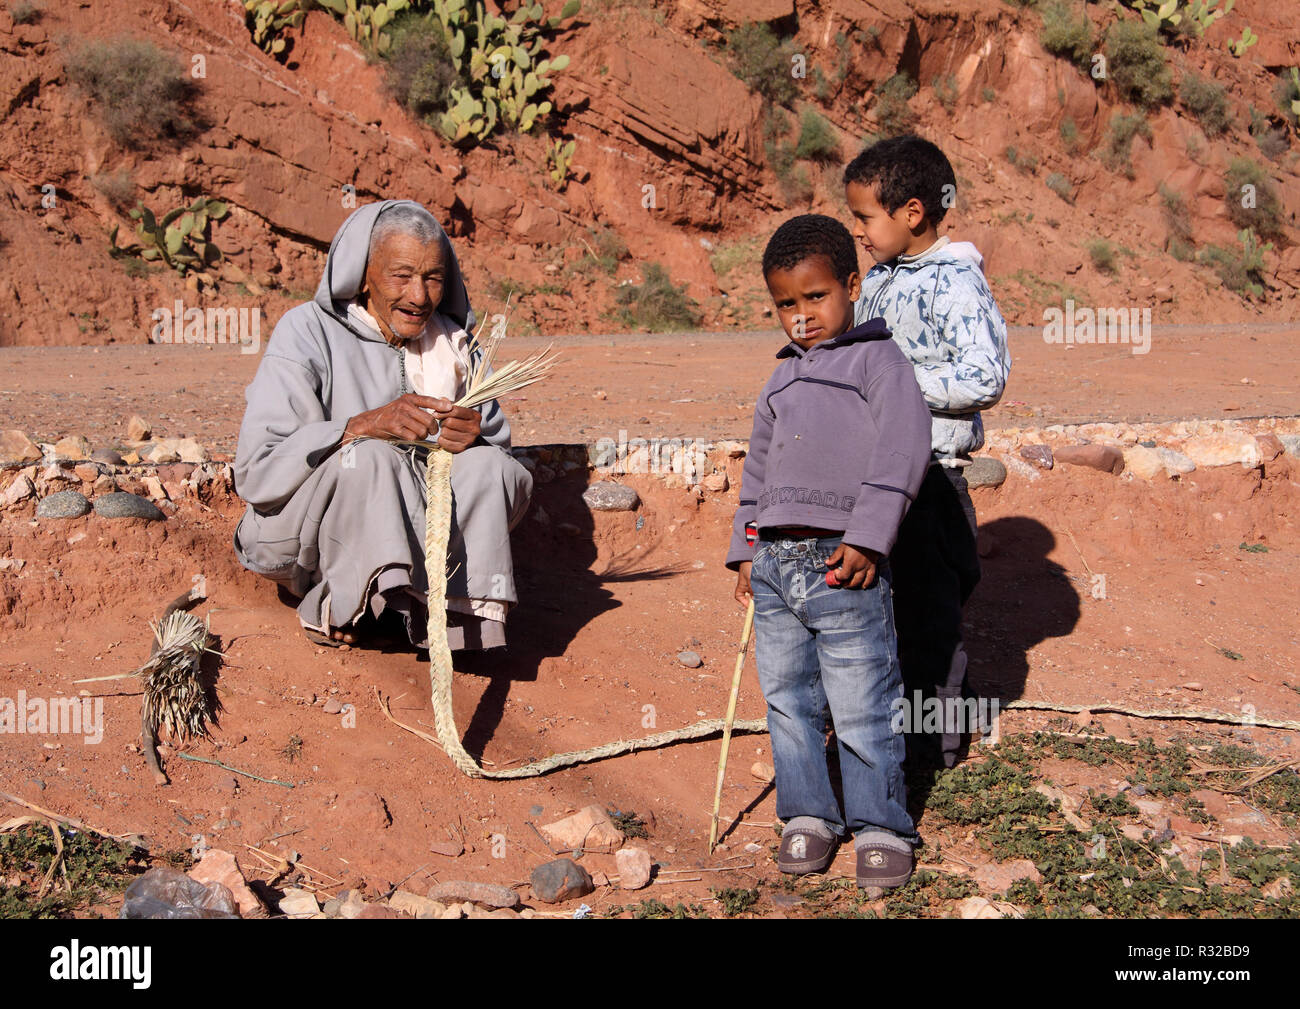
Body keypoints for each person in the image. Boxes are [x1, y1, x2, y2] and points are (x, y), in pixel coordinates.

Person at [726, 214, 932, 891]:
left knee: (861, 694)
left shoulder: (880, 361)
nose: (802, 316)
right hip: (778, 570)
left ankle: (880, 824)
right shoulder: (779, 383)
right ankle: (809, 815)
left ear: (851, 285)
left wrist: (870, 536)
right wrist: (746, 550)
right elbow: (755, 475)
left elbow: (902, 450)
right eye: (786, 303)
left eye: (815, 297)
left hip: (844, 562)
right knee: (786, 698)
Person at [232, 199, 533, 651]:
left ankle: (450, 612)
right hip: (304, 540)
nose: (419, 296)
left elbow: (508, 473)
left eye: (433, 278)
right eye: (402, 275)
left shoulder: (454, 345)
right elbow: (257, 470)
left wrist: (473, 441)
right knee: (369, 459)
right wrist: (360, 426)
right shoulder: (306, 331)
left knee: (492, 469)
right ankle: (342, 598)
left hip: (421, 544)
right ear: (363, 273)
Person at [844, 135, 1011, 768]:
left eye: (865, 217)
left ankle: (938, 748)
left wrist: (901, 390)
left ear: (912, 212)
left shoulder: (957, 284)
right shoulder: (883, 278)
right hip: (883, 474)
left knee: (931, 611)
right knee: (892, 604)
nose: (857, 230)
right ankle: (913, 719)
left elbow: (985, 376)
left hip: (934, 479)